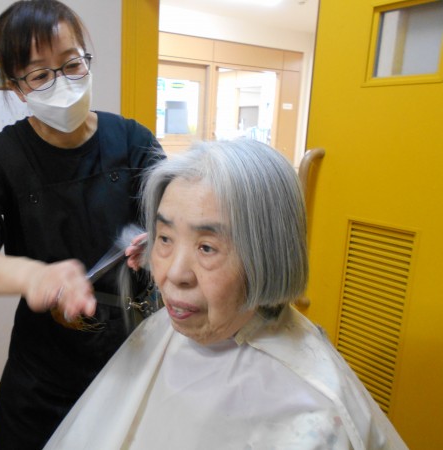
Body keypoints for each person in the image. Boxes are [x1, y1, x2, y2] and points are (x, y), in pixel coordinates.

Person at [44, 139, 408, 449]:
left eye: (207, 247)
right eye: (165, 238)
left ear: (267, 257)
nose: (173, 274)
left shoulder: (313, 414)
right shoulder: (164, 330)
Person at [0, 1, 164, 448]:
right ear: (17, 87)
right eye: (41, 75)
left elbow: (174, 211)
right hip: (45, 369)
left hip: (132, 351)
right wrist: (34, 276)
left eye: (72, 64)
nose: (62, 83)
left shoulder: (131, 139)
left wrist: (162, 241)